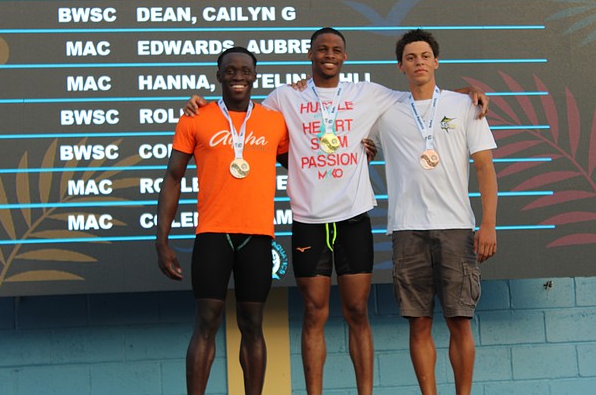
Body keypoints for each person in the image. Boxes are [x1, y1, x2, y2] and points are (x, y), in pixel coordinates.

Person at [184, 28, 489, 395]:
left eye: (336, 50)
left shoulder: (368, 93)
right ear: (310, 54)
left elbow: (421, 96)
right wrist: (199, 104)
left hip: (353, 217)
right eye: (321, 49)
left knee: (357, 313)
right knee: (314, 314)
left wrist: (464, 94)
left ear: (345, 56)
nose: (329, 55)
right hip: (308, 219)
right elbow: (240, 112)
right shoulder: (284, 97)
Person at [368, 29, 498, 395]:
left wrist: (487, 225)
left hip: (456, 228)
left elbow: (485, 167)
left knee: (460, 321)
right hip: (407, 230)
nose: (419, 62)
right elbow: (345, 120)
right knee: (419, 323)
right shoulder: (385, 111)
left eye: (425, 56)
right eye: (411, 58)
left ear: (436, 61)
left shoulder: (465, 107)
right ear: (400, 66)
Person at [154, 47, 289, 395]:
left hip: (257, 237)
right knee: (206, 322)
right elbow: (172, 177)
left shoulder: (275, 121)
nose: (238, 77)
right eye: (230, 71)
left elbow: (303, 164)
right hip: (213, 234)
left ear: (255, 76)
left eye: (245, 71)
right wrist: (162, 240)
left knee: (253, 325)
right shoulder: (195, 117)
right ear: (219, 76)